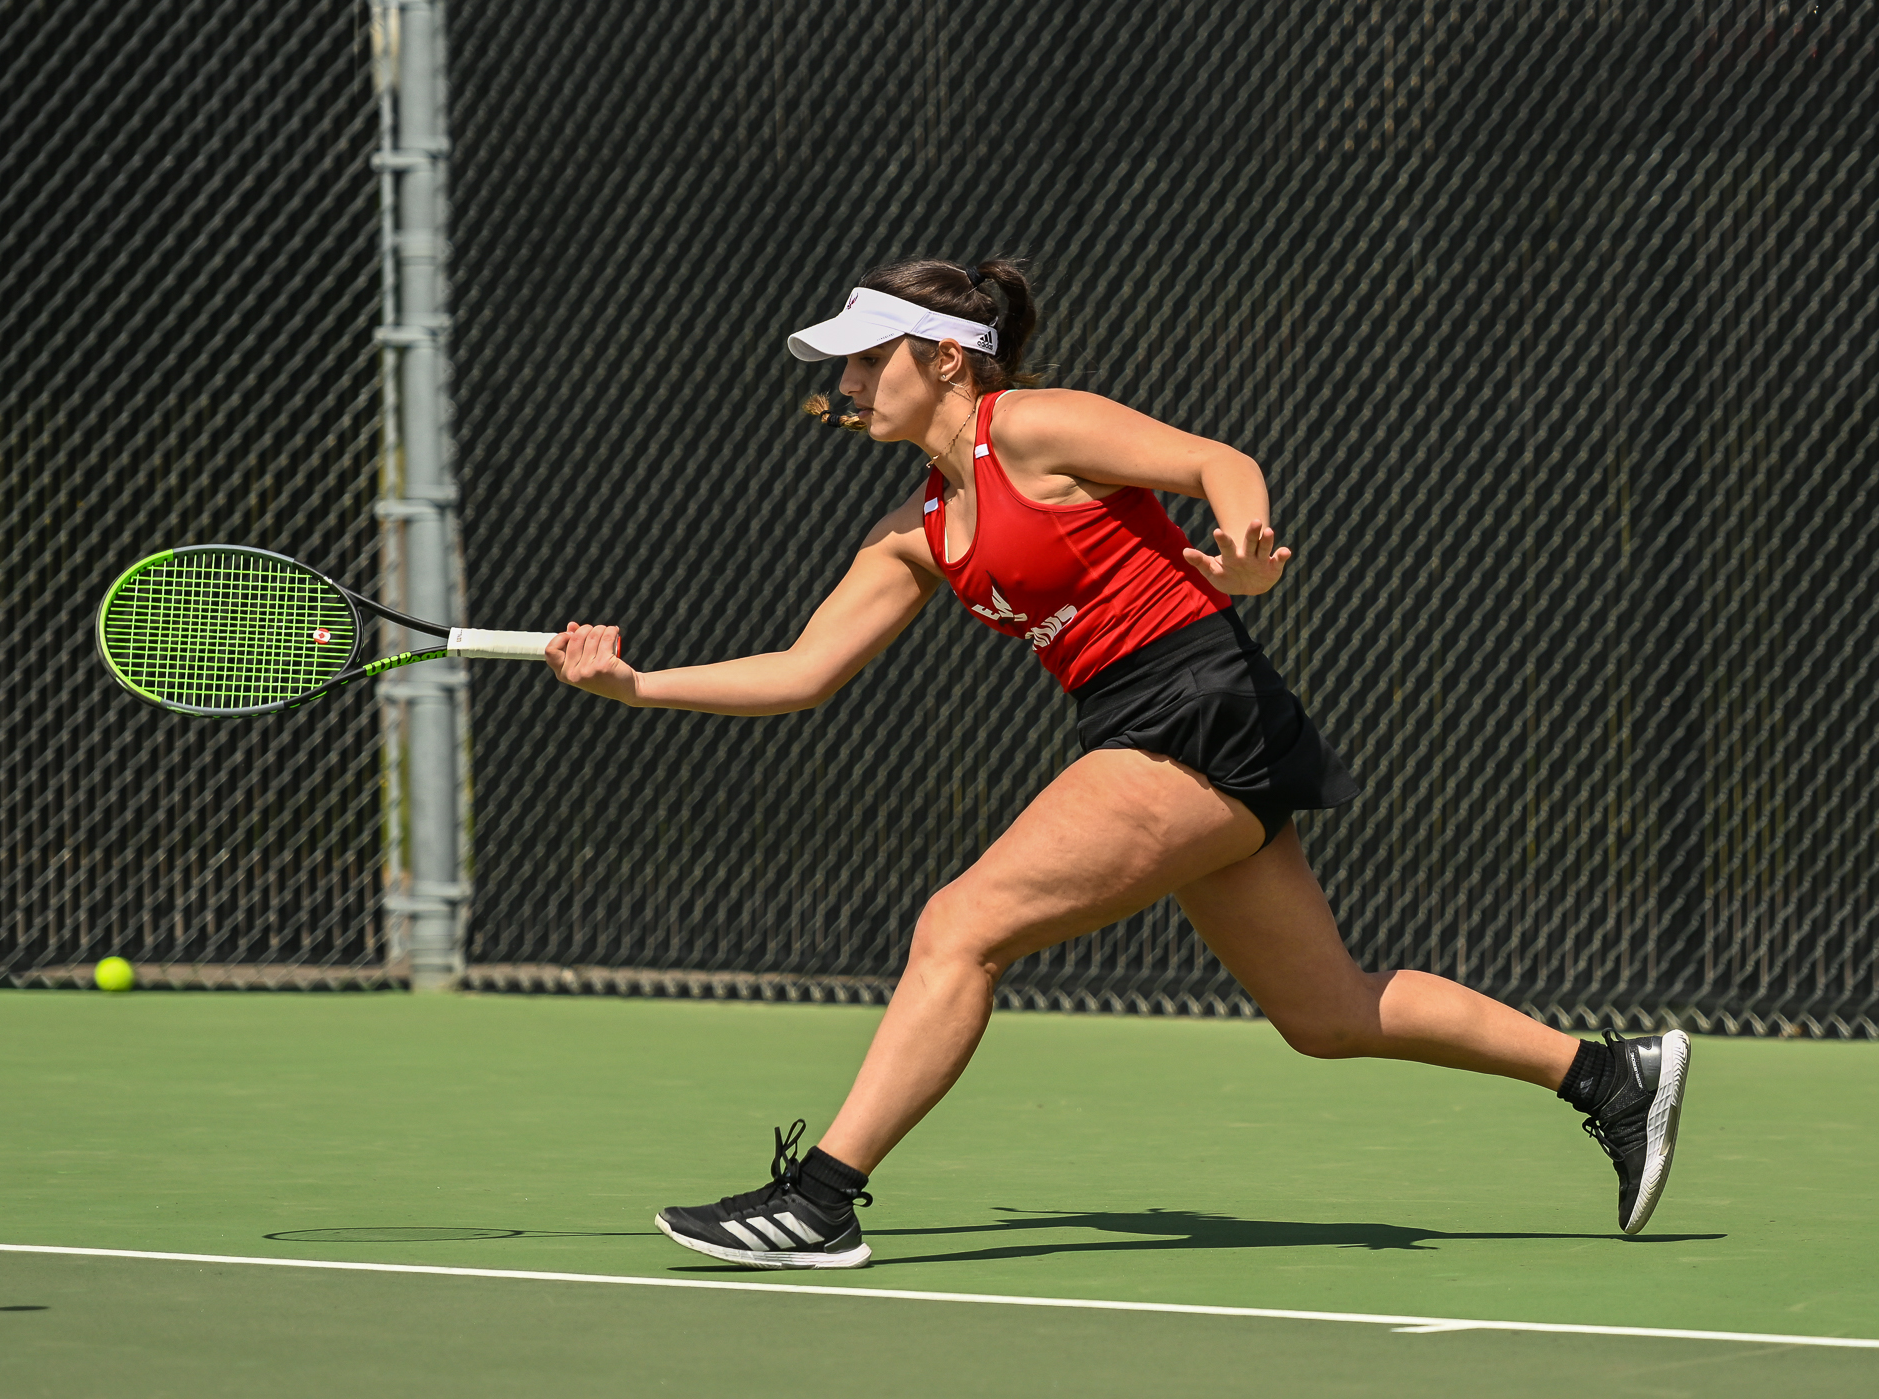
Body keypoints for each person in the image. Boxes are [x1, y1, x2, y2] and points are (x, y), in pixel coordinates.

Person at [543, 257, 1690, 1270]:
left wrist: (1244, 550)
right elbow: (803, 671)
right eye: (843, 364)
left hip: (1193, 704)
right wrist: (635, 686)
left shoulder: (1033, 427)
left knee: (959, 925)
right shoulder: (917, 527)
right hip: (1153, 722)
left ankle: (818, 1201)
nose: (847, 382)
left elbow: (1216, 461)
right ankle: (1609, 1074)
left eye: (867, 358)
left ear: (944, 359)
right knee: (1326, 1012)